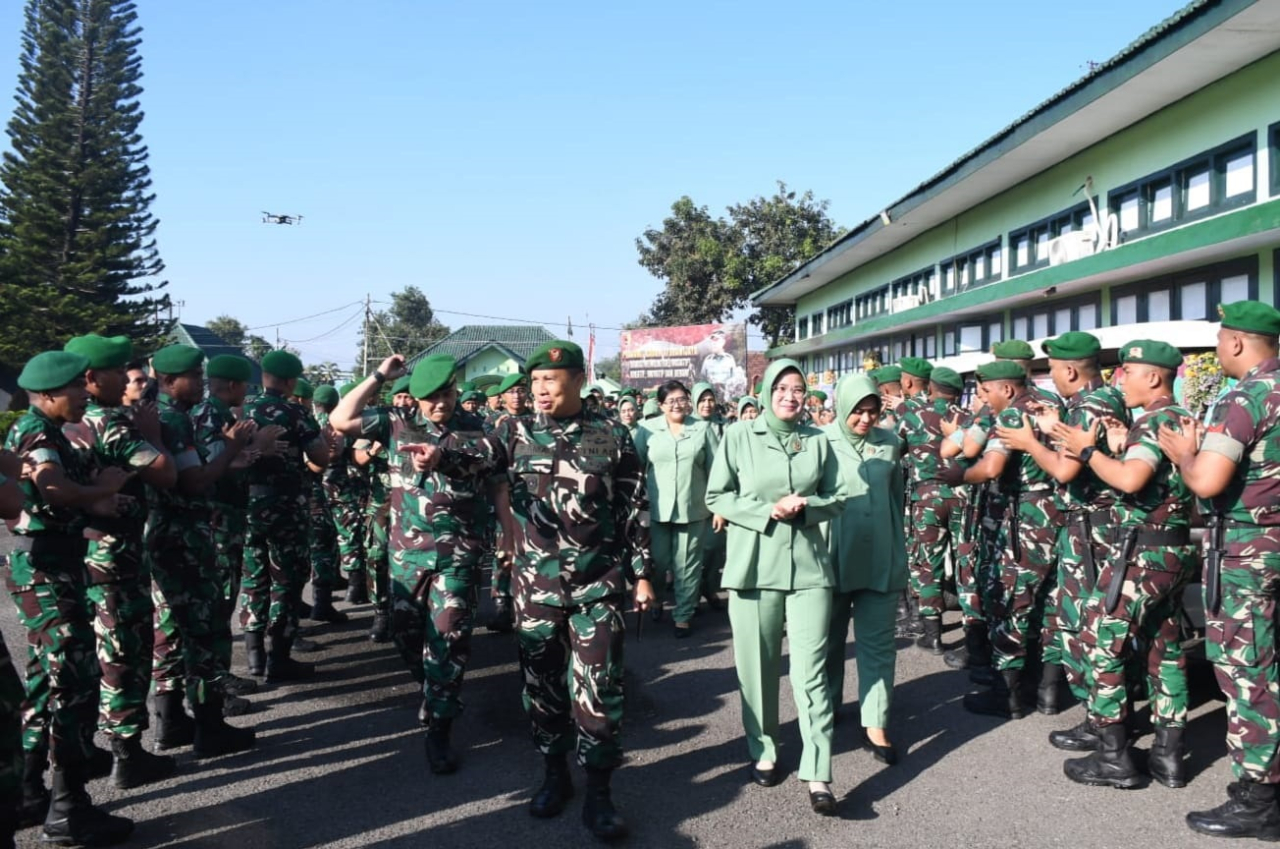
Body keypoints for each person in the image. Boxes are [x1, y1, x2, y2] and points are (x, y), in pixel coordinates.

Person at [423, 340, 654, 841]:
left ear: (576, 378)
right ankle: (554, 775)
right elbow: (477, 455)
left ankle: (600, 792)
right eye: (533, 383)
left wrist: (642, 574)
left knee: (600, 689)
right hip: (535, 587)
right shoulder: (514, 429)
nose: (540, 389)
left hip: (597, 585)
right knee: (542, 689)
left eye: (549, 380)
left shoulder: (613, 434)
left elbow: (635, 508)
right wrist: (439, 455)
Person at [329, 354, 494, 776]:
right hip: (407, 555)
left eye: (447, 394)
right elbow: (340, 418)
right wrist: (380, 375)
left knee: (448, 637)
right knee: (405, 633)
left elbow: (494, 473)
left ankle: (440, 726)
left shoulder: (480, 429)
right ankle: (432, 687)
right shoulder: (396, 422)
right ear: (416, 398)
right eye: (431, 397)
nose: (441, 403)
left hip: (458, 553)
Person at [1157, 302, 1280, 839]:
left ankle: (1259, 798)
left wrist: (1186, 454)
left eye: (1219, 339)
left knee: (1247, 668)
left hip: (1248, 554)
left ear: (1235, 343)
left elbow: (1206, 481)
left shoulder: (1247, 396)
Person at [1052, 340, 1196, 790]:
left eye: (1128, 372)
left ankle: (1113, 756)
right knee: (1164, 647)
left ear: (1153, 377)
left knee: (1102, 641)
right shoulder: (1179, 417)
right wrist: (1117, 445)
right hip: (1171, 549)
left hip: (1143, 552)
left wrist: (1089, 450)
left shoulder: (1154, 420)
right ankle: (1167, 756)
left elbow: (1132, 479)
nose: (1120, 379)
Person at [6, 350, 134, 844]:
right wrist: (98, 488)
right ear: (50, 394)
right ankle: (68, 808)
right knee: (73, 683)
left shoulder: (48, 430)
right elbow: (53, 488)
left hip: (52, 562)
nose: (85, 393)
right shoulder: (37, 432)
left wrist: (98, 501)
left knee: (44, 683)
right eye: (76, 389)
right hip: (45, 570)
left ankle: (30, 790)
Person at [706, 357, 844, 816]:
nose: (790, 396)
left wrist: (806, 506)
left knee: (813, 672)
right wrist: (766, 511)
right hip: (753, 568)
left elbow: (838, 496)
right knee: (758, 668)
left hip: (809, 571)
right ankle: (764, 747)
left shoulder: (819, 442)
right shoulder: (738, 436)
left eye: (798, 389)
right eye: (782, 388)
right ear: (766, 392)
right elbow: (717, 495)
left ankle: (819, 770)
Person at [61, 335, 178, 789]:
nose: (138, 380)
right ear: (92, 378)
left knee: (90, 654)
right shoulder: (112, 424)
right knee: (124, 651)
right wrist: (152, 436)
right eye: (120, 372)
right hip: (116, 558)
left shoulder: (69, 425)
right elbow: (165, 473)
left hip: (81, 556)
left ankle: (89, 749)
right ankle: (127, 754)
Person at [994, 332, 1127, 715]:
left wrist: (1029, 443)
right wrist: (1053, 429)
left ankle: (1098, 718)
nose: (1050, 379)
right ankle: (1060, 696)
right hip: (1096, 523)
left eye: (1052, 371)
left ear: (1070, 369)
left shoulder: (1087, 405)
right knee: (1068, 610)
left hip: (1089, 526)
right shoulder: (1107, 398)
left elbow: (1066, 470)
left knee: (1082, 621)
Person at [147, 345, 259, 757]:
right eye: (195, 376)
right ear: (167, 380)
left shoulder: (153, 415)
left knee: (171, 632)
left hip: (167, 536)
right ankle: (210, 728)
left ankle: (171, 721)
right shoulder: (173, 419)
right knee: (205, 634)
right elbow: (197, 480)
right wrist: (233, 446)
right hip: (187, 538)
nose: (201, 383)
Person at [960, 359, 1061, 720]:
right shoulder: (1051, 404)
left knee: (1010, 604)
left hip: (1024, 522)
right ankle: (1048, 691)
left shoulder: (1012, 416)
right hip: (1054, 517)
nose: (984, 399)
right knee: (1048, 605)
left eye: (986, 391)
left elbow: (991, 467)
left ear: (1006, 389)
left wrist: (958, 476)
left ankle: (1010, 696)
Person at [823, 373, 907, 768]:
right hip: (832, 556)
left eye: (873, 411)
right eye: (858, 411)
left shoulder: (890, 443)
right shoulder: (819, 442)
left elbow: (895, 498)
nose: (866, 419)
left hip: (879, 556)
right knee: (829, 640)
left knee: (878, 643)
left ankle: (875, 722)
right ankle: (828, 705)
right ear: (843, 407)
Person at [238, 350, 331, 681]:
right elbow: (320, 454)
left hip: (246, 506)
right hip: (286, 507)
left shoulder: (241, 408)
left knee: (254, 578)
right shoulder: (294, 412)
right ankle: (279, 657)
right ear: (291, 381)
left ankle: (252, 657)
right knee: (287, 580)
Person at [634, 381, 720, 637]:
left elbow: (716, 471)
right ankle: (658, 598)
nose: (677, 405)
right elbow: (636, 468)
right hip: (657, 510)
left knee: (688, 564)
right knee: (659, 562)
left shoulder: (703, 429)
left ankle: (683, 614)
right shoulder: (646, 430)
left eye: (682, 399)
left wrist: (718, 507)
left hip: (693, 508)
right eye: (671, 401)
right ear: (661, 405)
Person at [896, 365, 965, 654]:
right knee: (966, 563)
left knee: (928, 564)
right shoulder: (967, 418)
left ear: (932, 388)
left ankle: (932, 634)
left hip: (926, 499)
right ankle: (972, 630)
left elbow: (895, 451)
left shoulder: (912, 416)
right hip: (963, 496)